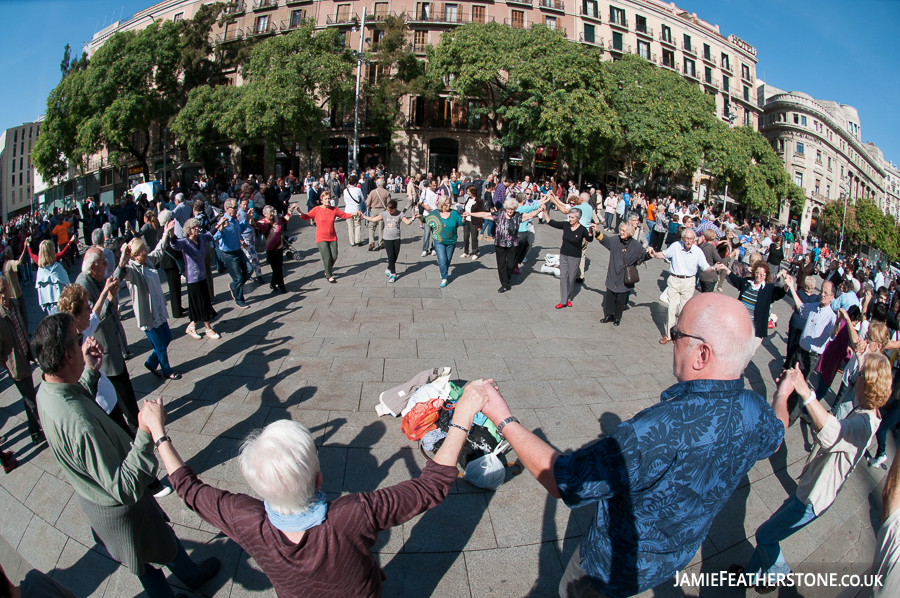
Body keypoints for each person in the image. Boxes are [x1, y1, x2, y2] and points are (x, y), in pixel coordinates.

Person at [478, 293, 787, 597]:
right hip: (674, 557)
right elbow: (775, 438)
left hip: (608, 571)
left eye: (677, 333)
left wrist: (504, 419)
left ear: (702, 355)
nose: (673, 340)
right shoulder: (756, 411)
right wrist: (783, 396)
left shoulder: (658, 430)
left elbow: (565, 480)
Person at [144, 381, 488, 598]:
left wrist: (158, 433)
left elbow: (188, 488)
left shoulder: (244, 519)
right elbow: (432, 485)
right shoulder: (353, 514)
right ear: (319, 478)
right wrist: (463, 415)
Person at [32, 314, 220, 598]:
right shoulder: (79, 424)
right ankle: (191, 579)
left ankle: (191, 576)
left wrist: (91, 371)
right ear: (68, 355)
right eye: (78, 338)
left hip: (98, 502)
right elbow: (123, 487)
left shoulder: (47, 388)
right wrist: (146, 430)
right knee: (153, 551)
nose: (84, 341)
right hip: (123, 509)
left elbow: (74, 395)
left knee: (146, 559)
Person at [735, 355, 892, 592]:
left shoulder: (865, 423)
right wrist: (797, 385)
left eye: (859, 375)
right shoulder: (867, 411)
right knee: (771, 532)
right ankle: (748, 577)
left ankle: (777, 572)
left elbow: (831, 434)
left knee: (765, 535)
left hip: (812, 499)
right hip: (809, 488)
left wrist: (804, 392)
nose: (855, 377)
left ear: (867, 384)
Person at [75, 248, 141, 427]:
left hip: (112, 346)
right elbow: (93, 320)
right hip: (104, 356)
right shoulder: (83, 286)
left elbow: (111, 283)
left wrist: (122, 263)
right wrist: (107, 296)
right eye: (103, 262)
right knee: (123, 399)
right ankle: (138, 431)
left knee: (125, 395)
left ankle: (136, 426)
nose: (106, 265)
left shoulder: (96, 278)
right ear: (93, 266)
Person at [116, 236, 182, 381]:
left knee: (167, 337)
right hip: (148, 314)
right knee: (160, 345)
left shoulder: (148, 262)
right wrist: (123, 259)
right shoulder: (132, 270)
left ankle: (151, 362)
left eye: (145, 249)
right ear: (134, 255)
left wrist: (165, 234)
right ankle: (167, 370)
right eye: (142, 250)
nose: (146, 252)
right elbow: (121, 273)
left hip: (158, 309)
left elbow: (158, 251)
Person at [647, 229, 723, 345]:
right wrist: (654, 254)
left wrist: (714, 268)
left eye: (691, 239)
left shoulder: (697, 251)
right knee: (671, 309)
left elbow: (705, 267)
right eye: (687, 239)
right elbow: (663, 254)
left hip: (689, 281)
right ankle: (668, 335)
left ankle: (679, 334)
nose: (689, 241)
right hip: (675, 279)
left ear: (694, 239)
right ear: (683, 238)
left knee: (683, 311)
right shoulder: (676, 246)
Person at [466, 197, 544, 293]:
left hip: (512, 244)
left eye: (512, 209)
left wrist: (539, 210)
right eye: (508, 209)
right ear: (506, 208)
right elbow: (485, 214)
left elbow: (529, 215)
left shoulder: (517, 216)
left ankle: (506, 276)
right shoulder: (499, 214)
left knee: (511, 264)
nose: (510, 211)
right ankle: (505, 284)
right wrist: (470, 214)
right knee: (501, 264)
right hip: (500, 244)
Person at [0, 274, 43, 444]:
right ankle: (42, 430)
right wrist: (8, 364)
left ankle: (33, 431)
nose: (3, 295)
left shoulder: (14, 304)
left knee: (28, 397)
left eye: (4, 290)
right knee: (32, 400)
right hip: (15, 365)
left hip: (25, 356)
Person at [166, 217, 220, 340]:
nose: (197, 229)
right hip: (192, 279)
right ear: (189, 230)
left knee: (204, 301)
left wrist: (219, 223)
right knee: (200, 303)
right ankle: (208, 328)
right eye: (194, 228)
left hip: (202, 276)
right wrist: (170, 232)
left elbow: (210, 234)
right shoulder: (185, 242)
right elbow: (174, 244)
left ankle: (192, 326)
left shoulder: (201, 238)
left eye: (198, 227)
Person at [725, 262, 789, 353]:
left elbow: (779, 293)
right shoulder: (747, 283)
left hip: (755, 329)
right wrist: (725, 269)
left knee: (747, 354)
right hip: (740, 324)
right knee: (734, 350)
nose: (759, 276)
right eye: (757, 273)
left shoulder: (768, 288)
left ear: (766, 275)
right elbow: (736, 280)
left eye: (762, 274)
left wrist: (786, 286)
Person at [590, 221, 645, 325]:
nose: (621, 232)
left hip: (624, 277)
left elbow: (643, 255)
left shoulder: (636, 245)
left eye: (624, 230)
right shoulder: (615, 240)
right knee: (609, 296)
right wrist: (597, 232)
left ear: (630, 232)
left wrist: (650, 254)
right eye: (621, 230)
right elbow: (605, 240)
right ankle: (609, 315)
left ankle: (617, 318)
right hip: (613, 274)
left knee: (621, 298)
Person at [299, 190, 353, 283]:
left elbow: (343, 215)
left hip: (332, 237)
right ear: (321, 200)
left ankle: (327, 270)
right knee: (327, 257)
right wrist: (298, 211)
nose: (328, 200)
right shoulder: (317, 209)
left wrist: (354, 214)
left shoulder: (333, 209)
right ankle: (329, 275)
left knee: (334, 256)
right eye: (326, 199)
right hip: (321, 237)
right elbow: (305, 217)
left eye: (329, 198)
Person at [546, 203, 593, 309]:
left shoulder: (582, 229)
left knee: (571, 278)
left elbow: (590, 239)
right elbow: (552, 222)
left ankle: (568, 298)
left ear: (578, 218)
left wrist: (591, 231)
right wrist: (545, 212)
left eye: (572, 217)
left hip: (575, 256)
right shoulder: (566, 225)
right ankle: (563, 301)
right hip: (564, 254)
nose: (569, 219)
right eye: (569, 217)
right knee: (563, 277)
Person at [357, 200, 415, 283]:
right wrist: (363, 216)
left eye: (391, 210)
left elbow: (407, 222)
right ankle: (393, 273)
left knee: (395, 256)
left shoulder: (400, 214)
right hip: (387, 238)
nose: (389, 212)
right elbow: (373, 219)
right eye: (388, 210)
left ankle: (388, 269)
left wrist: (412, 219)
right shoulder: (384, 214)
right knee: (391, 256)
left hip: (396, 238)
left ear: (396, 208)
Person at [214, 198, 253, 310]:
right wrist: (220, 229)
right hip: (228, 254)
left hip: (238, 250)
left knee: (249, 270)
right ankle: (239, 299)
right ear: (227, 208)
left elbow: (240, 229)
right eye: (235, 207)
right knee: (238, 278)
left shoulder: (235, 220)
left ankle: (233, 287)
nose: (237, 209)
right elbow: (214, 237)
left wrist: (247, 219)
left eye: (237, 207)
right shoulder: (223, 221)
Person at [421, 196, 464, 288]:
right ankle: (444, 278)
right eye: (447, 203)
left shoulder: (454, 213)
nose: (449, 205)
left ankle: (444, 271)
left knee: (447, 260)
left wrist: (464, 218)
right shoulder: (435, 213)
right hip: (438, 240)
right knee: (442, 260)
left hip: (451, 241)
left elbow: (462, 223)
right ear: (442, 204)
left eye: (450, 203)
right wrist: (419, 217)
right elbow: (425, 219)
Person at [29, 238, 73, 315]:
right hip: (61, 305)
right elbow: (68, 285)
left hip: (49, 306)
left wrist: (27, 246)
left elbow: (40, 290)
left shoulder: (40, 270)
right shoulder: (57, 267)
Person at [365, 177, 391, 251]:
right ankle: (380, 243)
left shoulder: (373, 192)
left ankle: (371, 242)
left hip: (374, 210)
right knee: (381, 228)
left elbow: (367, 203)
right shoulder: (386, 192)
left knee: (371, 227)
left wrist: (370, 209)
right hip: (383, 210)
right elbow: (389, 203)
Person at [460, 185, 484, 260]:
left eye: (468, 191)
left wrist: (480, 224)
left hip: (474, 221)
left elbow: (481, 213)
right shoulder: (468, 199)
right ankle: (466, 252)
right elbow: (465, 208)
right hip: (467, 220)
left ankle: (475, 252)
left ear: (473, 192)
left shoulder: (479, 200)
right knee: (465, 236)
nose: (467, 193)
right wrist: (463, 213)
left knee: (474, 237)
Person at [342, 173, 364, 247]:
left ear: (348, 182)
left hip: (348, 210)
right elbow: (363, 199)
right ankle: (357, 240)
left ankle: (351, 241)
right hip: (356, 209)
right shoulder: (358, 190)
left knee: (350, 226)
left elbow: (345, 200)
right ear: (355, 182)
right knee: (357, 225)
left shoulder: (345, 191)